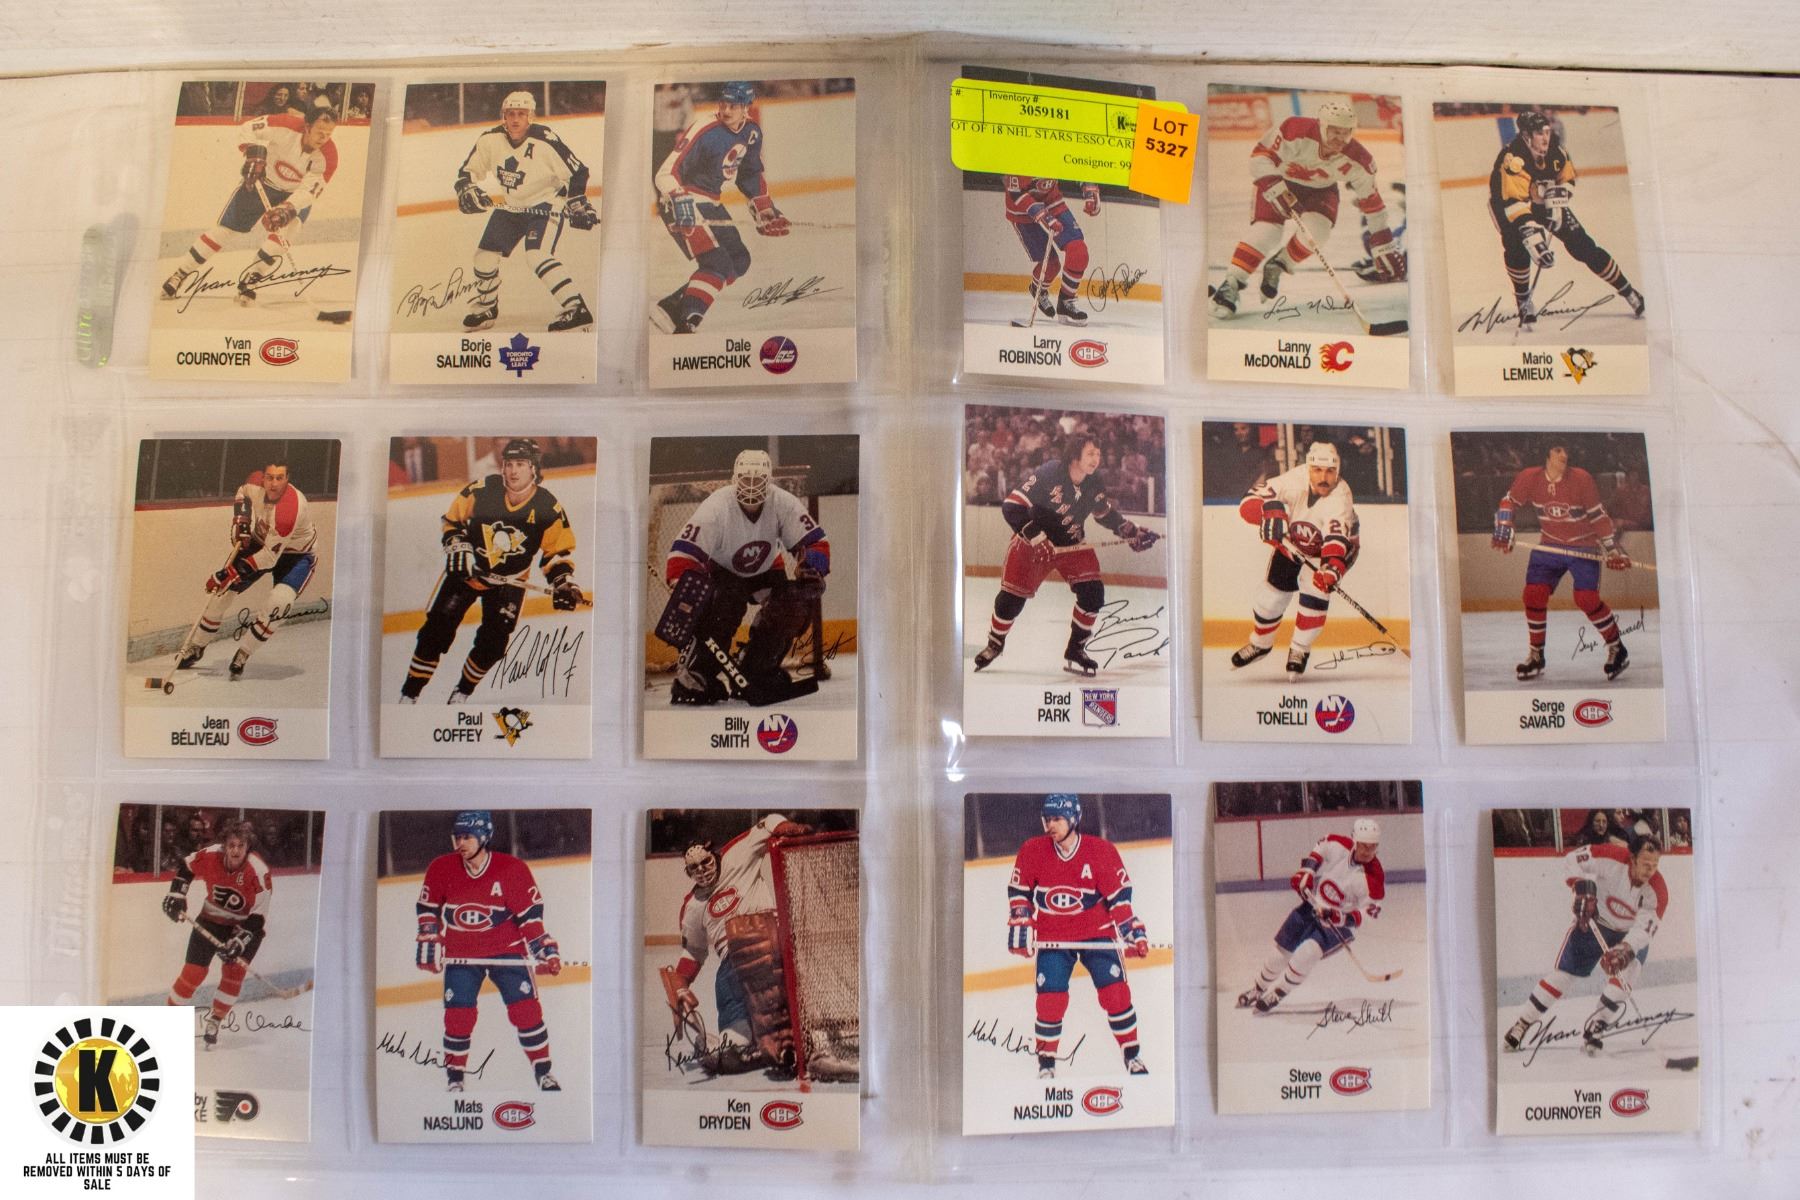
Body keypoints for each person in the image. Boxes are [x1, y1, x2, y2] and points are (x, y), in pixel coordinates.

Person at [399, 438, 583, 704]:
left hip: (510, 581)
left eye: (520, 464)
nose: (513, 470)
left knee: (494, 644)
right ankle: (409, 695)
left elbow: (557, 552)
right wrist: (458, 544)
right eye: (509, 464)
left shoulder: (548, 507)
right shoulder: (482, 489)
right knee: (435, 632)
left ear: (533, 468)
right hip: (467, 572)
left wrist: (563, 582)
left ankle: (461, 693)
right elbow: (452, 521)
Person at [971, 433, 1160, 677]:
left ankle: (1075, 649)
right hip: (1034, 544)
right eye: (1090, 453)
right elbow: (1011, 507)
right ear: (1074, 455)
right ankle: (995, 643)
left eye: (1098, 454)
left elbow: (1103, 513)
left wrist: (1130, 531)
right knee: (1010, 601)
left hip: (1071, 545)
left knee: (1093, 594)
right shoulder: (1050, 473)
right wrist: (1037, 538)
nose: (1096, 459)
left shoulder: (1094, 481)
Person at [658, 450, 826, 706]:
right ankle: (697, 675)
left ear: (768, 481)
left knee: (792, 605)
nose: (751, 486)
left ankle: (755, 668)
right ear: (735, 478)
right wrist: (684, 588)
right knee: (722, 608)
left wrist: (812, 566)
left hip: (768, 570)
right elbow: (685, 551)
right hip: (723, 573)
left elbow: (816, 541)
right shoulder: (717, 506)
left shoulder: (783, 502)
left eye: (757, 480)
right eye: (746, 479)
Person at [1208, 99, 1401, 319]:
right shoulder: (1294, 129)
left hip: (1320, 191)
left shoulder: (1360, 160)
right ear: (1322, 125)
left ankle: (1279, 264)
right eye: (1334, 131)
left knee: (1318, 232)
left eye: (1345, 133)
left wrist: (1382, 243)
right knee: (1266, 232)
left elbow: (1372, 204)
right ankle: (1231, 284)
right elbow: (1260, 158)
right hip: (1279, 181)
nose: (1340, 139)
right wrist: (1274, 187)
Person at [415, 811, 563, 1092]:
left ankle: (543, 1072)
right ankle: (455, 1079)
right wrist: (430, 935)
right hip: (461, 954)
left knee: (526, 1012)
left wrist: (543, 949)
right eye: (457, 837)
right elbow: (428, 907)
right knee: (458, 1018)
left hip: (506, 951)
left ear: (484, 837)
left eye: (467, 837)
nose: (460, 843)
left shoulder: (511, 869)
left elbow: (530, 919)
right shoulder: (441, 868)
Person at [1007, 794, 1150, 1079]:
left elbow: (1119, 901)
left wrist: (1130, 931)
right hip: (1053, 937)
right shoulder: (1032, 850)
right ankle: (1046, 1065)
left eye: (1057, 819)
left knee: (1115, 995)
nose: (1050, 825)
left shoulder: (1100, 851)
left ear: (1074, 819)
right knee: (1050, 1002)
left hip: (1097, 934)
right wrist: (1022, 919)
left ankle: (1132, 1056)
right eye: (1047, 819)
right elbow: (1019, 891)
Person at [664, 813, 813, 1075]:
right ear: (688, 872)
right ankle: (733, 1043)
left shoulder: (738, 854)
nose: (702, 870)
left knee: (800, 1011)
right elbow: (692, 953)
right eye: (694, 868)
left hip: (773, 942)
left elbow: (768, 823)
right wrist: (679, 987)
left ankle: (801, 1030)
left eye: (705, 862)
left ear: (715, 854)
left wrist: (786, 827)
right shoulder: (692, 907)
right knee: (733, 1040)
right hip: (733, 963)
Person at [1503, 835, 1667, 1057]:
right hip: (1594, 922)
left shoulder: (1657, 891)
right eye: (1646, 864)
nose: (1650, 871)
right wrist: (1580, 887)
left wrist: (1626, 949)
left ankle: (1597, 1024)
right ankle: (1522, 1023)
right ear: (1632, 858)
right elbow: (1573, 859)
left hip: (1628, 933)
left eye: (1655, 865)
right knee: (1563, 976)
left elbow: (1644, 930)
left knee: (1629, 974)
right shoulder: (1611, 857)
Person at [161, 104, 340, 304]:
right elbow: (249, 128)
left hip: (294, 193)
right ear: (307, 126)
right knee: (225, 230)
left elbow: (309, 191)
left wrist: (287, 209)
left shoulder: (329, 157)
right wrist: (253, 152)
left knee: (289, 231)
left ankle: (253, 277)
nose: (323, 138)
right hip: (262, 182)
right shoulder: (286, 124)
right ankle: (180, 274)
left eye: (329, 133)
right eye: (319, 131)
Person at [650, 80, 790, 334]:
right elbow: (665, 173)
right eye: (723, 104)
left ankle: (672, 306)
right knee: (717, 264)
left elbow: (750, 174)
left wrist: (764, 209)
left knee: (739, 260)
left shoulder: (752, 133)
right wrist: (679, 199)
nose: (726, 110)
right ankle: (686, 324)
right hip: (681, 201)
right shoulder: (705, 128)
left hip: (710, 202)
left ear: (746, 107)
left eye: (733, 106)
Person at [1487, 110, 1645, 331]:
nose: (1545, 138)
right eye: (1539, 133)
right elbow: (1515, 203)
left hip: (1541, 199)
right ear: (1526, 135)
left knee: (1583, 245)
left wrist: (1560, 196)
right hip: (1508, 206)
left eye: (1546, 132)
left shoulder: (1556, 152)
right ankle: (1523, 300)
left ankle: (1628, 291)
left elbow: (1568, 179)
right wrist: (1534, 237)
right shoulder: (1514, 160)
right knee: (1517, 249)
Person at [452, 91, 596, 333]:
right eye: (510, 114)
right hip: (512, 206)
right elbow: (466, 172)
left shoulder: (545, 140)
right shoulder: (490, 140)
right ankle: (486, 309)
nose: (515, 119)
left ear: (531, 116)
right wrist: (466, 188)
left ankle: (577, 308)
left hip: (545, 204)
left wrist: (576, 201)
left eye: (521, 114)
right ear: (503, 116)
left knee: (537, 255)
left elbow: (578, 171)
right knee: (484, 257)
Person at [1491, 443, 1631, 682]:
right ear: (1546, 455)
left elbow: (1598, 516)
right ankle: (1536, 655)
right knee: (1533, 594)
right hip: (1550, 545)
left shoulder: (1581, 479)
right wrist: (1504, 524)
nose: (1564, 454)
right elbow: (1508, 501)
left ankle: (1617, 648)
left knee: (1586, 598)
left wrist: (1612, 549)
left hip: (1583, 545)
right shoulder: (1530, 477)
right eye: (1558, 450)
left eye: (1566, 450)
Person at [172, 461, 318, 681]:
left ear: (287, 480)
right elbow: (242, 493)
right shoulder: (254, 484)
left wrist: (228, 573)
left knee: (279, 603)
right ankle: (196, 647)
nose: (274, 484)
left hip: (296, 556)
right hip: (261, 543)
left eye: (280, 478)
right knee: (221, 594)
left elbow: (269, 558)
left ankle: (244, 653)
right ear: (263, 477)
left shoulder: (290, 509)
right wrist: (241, 521)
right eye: (270, 477)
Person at [1229, 442, 1359, 676]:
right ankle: (1260, 644)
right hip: (1294, 543)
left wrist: (1331, 569)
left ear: (1337, 472)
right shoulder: (1292, 480)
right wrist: (1268, 513)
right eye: (1317, 470)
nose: (1324, 478)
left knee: (1315, 593)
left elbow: (1336, 541)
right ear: (1308, 468)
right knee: (1270, 598)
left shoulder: (1341, 497)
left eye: (1330, 471)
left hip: (1330, 552)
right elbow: (1248, 502)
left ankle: (1300, 649)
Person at [1236, 818, 1385, 1014]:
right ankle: (1258, 988)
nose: (1368, 852)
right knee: (1280, 952)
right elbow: (1322, 846)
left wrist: (1338, 916)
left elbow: (1368, 914)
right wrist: (1307, 871)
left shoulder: (1374, 878)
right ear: (1355, 841)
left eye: (1373, 847)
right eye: (1364, 846)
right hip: (1313, 905)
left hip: (1337, 925)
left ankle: (1280, 992)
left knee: (1307, 953)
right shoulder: (1340, 845)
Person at [161, 820, 272, 1050]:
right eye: (231, 845)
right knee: (193, 973)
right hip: (211, 921)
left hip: (244, 927)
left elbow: (258, 917)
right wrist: (178, 894)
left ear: (248, 847)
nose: (235, 851)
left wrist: (240, 941)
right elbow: (187, 866)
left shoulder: (259, 872)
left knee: (233, 974)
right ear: (224, 845)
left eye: (241, 846)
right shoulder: (211, 855)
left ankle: (215, 1022)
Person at [1001, 175, 1099, 326]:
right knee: (1052, 266)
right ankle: (1037, 289)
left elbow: (1078, 166)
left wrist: (1090, 189)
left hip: (1052, 202)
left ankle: (1066, 303)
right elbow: (1015, 192)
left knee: (1078, 252)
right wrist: (1044, 217)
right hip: (1022, 212)